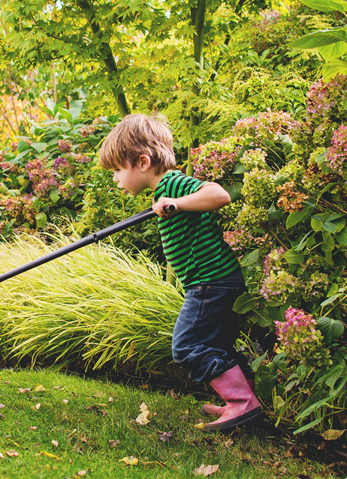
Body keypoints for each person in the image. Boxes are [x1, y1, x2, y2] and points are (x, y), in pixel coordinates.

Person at [99, 113, 262, 432]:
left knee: (187, 345)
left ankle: (242, 403)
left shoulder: (172, 184)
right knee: (218, 345)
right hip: (215, 281)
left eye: (118, 170)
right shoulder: (164, 192)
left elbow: (220, 195)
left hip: (209, 283)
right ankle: (241, 401)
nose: (117, 179)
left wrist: (176, 203)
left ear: (142, 161)